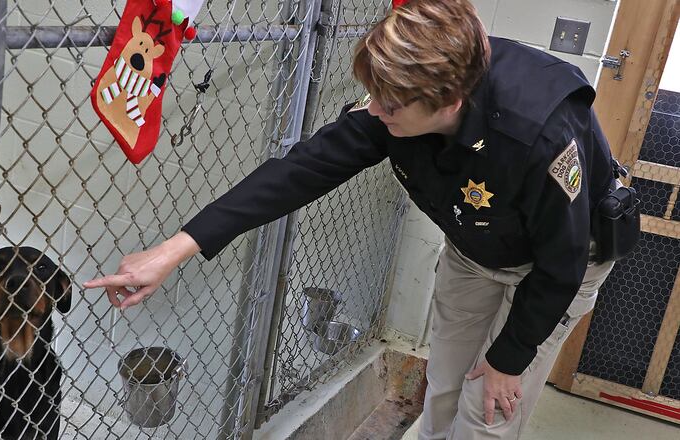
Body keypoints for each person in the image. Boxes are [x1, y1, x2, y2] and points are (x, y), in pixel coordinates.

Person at [84, 1, 618, 438]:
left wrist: (512, 356)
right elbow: (300, 171)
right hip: (476, 250)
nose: (374, 114)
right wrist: (173, 249)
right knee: (445, 386)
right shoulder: (400, 97)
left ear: (450, 101)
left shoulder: (539, 134)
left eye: (389, 108)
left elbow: (562, 264)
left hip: (554, 269)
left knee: (488, 405)